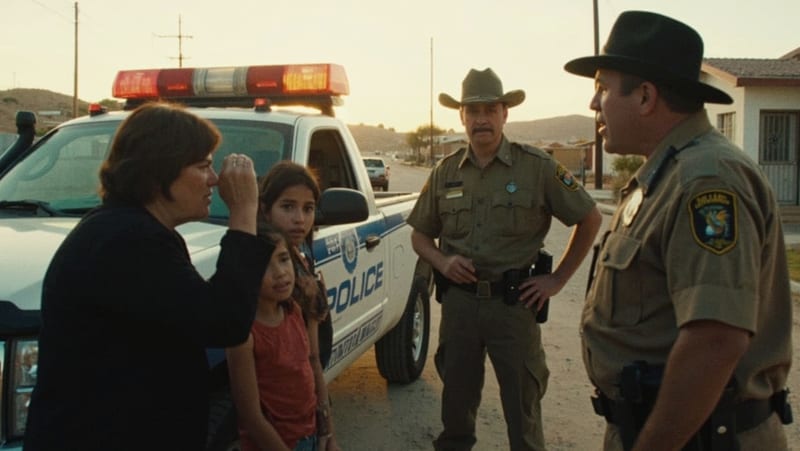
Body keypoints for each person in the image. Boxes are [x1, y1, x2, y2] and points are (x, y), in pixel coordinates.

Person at [564, 10, 794, 451]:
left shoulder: (705, 179)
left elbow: (715, 341)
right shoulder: (667, 174)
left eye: (603, 87)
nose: (594, 104)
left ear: (645, 96)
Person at [23, 102, 273, 450]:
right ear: (158, 172)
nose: (215, 179)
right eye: (203, 166)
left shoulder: (131, 230)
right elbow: (225, 321)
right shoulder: (128, 240)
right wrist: (244, 212)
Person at [407, 67, 602, 451]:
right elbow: (419, 235)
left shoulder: (537, 167)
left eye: (490, 109)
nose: (481, 119)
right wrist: (442, 263)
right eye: (473, 110)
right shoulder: (445, 171)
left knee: (522, 411)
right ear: (461, 116)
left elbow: (590, 218)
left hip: (514, 307)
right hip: (460, 307)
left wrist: (557, 280)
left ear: (504, 113)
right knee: (455, 409)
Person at [226, 224, 337, 451]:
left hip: (310, 436)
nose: (280, 272)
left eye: (284, 259)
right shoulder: (244, 336)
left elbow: (311, 366)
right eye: (263, 265)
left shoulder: (293, 310)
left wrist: (327, 432)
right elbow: (252, 417)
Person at [257, 160, 339, 450]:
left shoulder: (299, 265)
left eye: (308, 208)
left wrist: (326, 427)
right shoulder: (264, 274)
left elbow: (311, 359)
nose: (300, 220)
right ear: (265, 209)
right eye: (288, 207)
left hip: (304, 418)